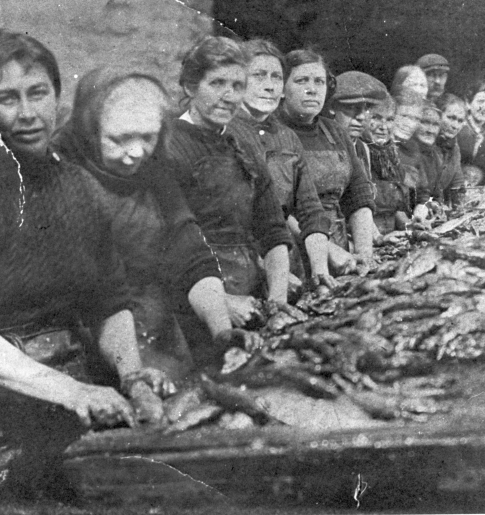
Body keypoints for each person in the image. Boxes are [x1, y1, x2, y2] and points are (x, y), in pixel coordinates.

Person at [0, 30, 169, 500]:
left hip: (75, 391)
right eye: (6, 98)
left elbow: (110, 300)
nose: (28, 114)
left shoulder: (80, 189)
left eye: (39, 93)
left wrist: (131, 375)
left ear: (57, 96)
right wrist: (72, 393)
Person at [53, 67, 259, 374]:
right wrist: (131, 372)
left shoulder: (155, 168)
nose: (135, 153)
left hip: (155, 326)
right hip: (86, 338)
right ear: (89, 129)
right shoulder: (57, 172)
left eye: (148, 137)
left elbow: (189, 252)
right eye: (119, 139)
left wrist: (222, 330)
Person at [161, 36, 292, 340]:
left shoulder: (243, 142)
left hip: (251, 296)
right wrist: (224, 303)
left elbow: (273, 229)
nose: (229, 96)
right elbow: (167, 248)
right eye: (217, 84)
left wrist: (278, 300)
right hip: (192, 307)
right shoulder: (169, 146)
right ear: (190, 87)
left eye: (237, 86)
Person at [226, 39, 335, 291]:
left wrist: (320, 269)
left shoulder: (287, 137)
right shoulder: (224, 133)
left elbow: (310, 211)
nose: (269, 86)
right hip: (237, 272)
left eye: (276, 77)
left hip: (288, 265)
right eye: (259, 76)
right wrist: (274, 275)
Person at [278, 48, 376, 273]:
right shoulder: (271, 135)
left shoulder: (335, 132)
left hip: (341, 249)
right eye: (302, 81)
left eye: (319, 82)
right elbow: (275, 211)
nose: (312, 90)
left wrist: (363, 254)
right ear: (282, 89)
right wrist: (327, 250)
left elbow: (358, 194)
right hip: (292, 252)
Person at [362, 89, 424, 234]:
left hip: (387, 236)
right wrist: (378, 239)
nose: (384, 127)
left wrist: (410, 226)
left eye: (390, 119)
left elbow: (392, 210)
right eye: (376, 118)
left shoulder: (389, 153)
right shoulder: (357, 152)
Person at [410, 100, 465, 208]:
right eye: (451, 118)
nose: (455, 126)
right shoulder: (424, 146)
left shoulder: (451, 146)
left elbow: (455, 181)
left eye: (460, 121)